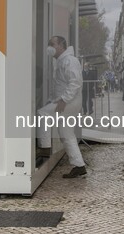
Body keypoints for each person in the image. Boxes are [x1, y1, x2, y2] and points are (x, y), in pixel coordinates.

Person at [36, 36, 86, 178]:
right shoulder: (61, 61)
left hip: (69, 102)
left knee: (42, 114)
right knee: (66, 134)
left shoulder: (69, 61)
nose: (49, 47)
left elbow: (75, 82)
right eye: (48, 44)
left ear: (61, 45)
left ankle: (44, 148)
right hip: (67, 101)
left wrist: (63, 99)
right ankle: (79, 165)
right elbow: (59, 85)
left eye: (52, 44)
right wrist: (52, 100)